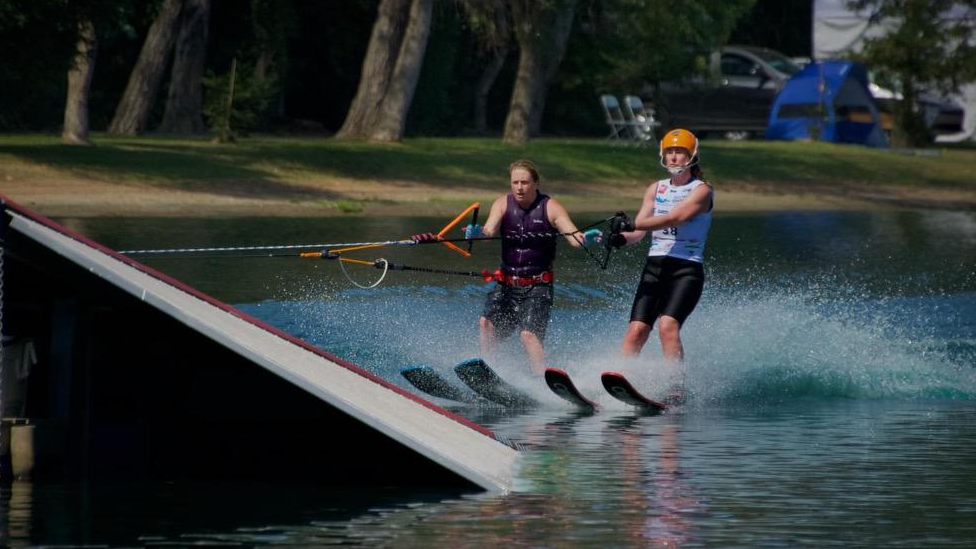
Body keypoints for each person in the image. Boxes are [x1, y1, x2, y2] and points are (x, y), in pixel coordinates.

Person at [413, 159, 601, 374]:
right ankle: (491, 373)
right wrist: (477, 233)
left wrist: (585, 239)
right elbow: (489, 230)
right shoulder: (502, 204)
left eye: (525, 182)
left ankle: (542, 381)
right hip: (506, 283)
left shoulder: (551, 207)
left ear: (535, 183)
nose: (519, 187)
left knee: (528, 335)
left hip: (537, 287)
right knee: (486, 324)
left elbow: (573, 237)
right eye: (515, 182)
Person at [611, 128, 713, 389]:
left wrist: (635, 223)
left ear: (692, 156)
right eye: (670, 152)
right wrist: (621, 238)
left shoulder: (701, 191)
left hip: (686, 270)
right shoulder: (656, 189)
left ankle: (675, 390)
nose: (674, 157)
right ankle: (620, 383)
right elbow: (639, 232)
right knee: (637, 330)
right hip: (655, 267)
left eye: (680, 152)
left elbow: (676, 217)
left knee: (667, 325)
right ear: (663, 156)